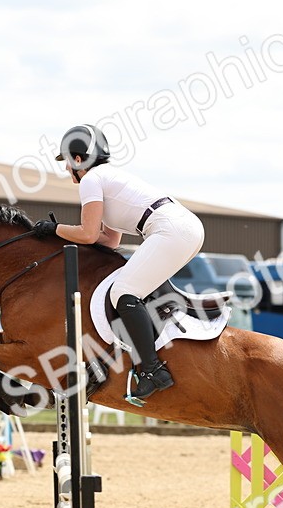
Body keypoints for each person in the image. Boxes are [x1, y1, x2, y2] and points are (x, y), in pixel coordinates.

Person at [35, 124, 205, 400]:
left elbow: (88, 234)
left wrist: (53, 230)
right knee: (130, 289)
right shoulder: (106, 177)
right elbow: (108, 240)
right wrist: (63, 233)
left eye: (67, 161)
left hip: (171, 229)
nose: (67, 168)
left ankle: (152, 369)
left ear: (79, 159)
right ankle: (155, 356)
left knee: (124, 292)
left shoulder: (91, 180)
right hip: (181, 228)